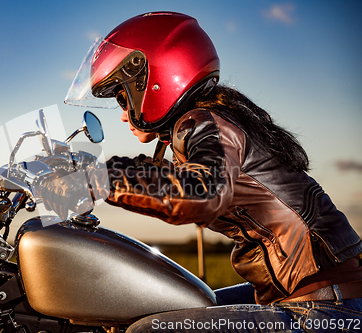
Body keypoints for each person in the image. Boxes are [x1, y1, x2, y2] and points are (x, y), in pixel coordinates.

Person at [63, 12, 362, 332]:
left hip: (323, 307)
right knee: (153, 308)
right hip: (314, 296)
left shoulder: (208, 122)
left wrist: (98, 179)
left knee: (147, 330)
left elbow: (201, 192)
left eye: (124, 98)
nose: (124, 116)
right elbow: (168, 175)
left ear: (153, 80)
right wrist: (90, 167)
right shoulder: (210, 123)